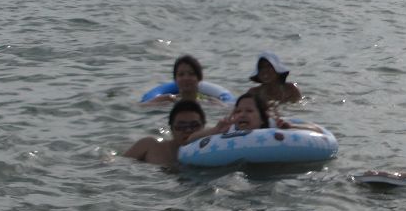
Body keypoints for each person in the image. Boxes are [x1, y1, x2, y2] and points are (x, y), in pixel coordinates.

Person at [186, 89, 325, 142]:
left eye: (249, 111)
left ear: (262, 117)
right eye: (238, 111)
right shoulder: (229, 129)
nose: (242, 115)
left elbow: (318, 131)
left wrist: (291, 127)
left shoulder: (274, 126)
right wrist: (215, 130)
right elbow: (190, 139)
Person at [123, 98, 206, 165]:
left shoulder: (209, 153)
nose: (188, 130)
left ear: (203, 127)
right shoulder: (149, 146)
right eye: (181, 126)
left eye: (194, 125)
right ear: (171, 128)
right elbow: (120, 166)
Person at [144, 54, 211, 105]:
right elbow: (141, 107)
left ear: (199, 78)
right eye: (181, 74)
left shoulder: (208, 102)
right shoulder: (165, 100)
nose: (186, 78)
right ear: (175, 79)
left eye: (191, 74)